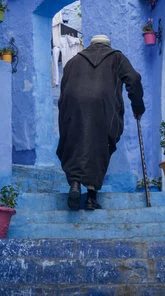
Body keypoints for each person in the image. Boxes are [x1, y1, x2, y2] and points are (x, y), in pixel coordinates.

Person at [57, 34, 145, 211]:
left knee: (74, 143)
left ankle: (74, 184)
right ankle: (91, 197)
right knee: (99, 146)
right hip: (104, 107)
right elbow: (133, 79)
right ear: (108, 45)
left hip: (73, 106)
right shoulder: (116, 57)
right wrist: (138, 106)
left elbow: (63, 89)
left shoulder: (73, 61)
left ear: (91, 45)